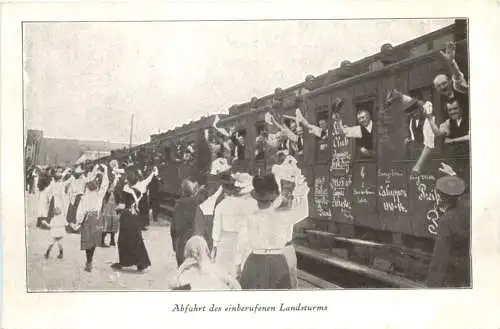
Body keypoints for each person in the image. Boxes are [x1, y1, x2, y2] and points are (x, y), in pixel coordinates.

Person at [237, 171, 309, 290]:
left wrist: (238, 265)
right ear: (274, 196)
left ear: (256, 196)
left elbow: (242, 243)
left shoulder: (250, 216)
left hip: (255, 261)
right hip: (278, 262)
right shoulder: (283, 216)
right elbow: (304, 211)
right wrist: (302, 190)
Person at [110, 167, 157, 272]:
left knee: (123, 240)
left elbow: (122, 205)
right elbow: (148, 180)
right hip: (136, 217)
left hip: (126, 217)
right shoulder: (142, 186)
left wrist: (116, 209)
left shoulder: (127, 189)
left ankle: (125, 262)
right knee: (137, 240)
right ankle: (141, 263)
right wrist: (153, 173)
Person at [426, 175, 470, 287]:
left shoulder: (446, 221)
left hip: (453, 276)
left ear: (443, 198)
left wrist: (433, 284)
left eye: (439, 195)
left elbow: (440, 257)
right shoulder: (469, 213)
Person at [211, 172, 254, 278]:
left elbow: (216, 228)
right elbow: (244, 236)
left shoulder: (222, 204)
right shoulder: (247, 207)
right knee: (236, 279)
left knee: (222, 277)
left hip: (223, 241)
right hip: (238, 244)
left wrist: (215, 246)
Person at [70, 164, 109, 272]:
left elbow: (81, 211)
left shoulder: (85, 196)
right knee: (93, 241)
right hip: (95, 217)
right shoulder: (99, 194)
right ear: (97, 186)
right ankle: (90, 260)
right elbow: (105, 184)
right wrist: (105, 170)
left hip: (87, 218)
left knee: (87, 241)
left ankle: (88, 261)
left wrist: (78, 222)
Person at [169, 236, 241, 291]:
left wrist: (181, 268)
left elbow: (171, 287)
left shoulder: (187, 275)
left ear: (187, 253)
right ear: (206, 251)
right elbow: (237, 286)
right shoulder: (216, 269)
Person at [170, 177, 205, 267]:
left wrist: (174, 242)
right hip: (193, 238)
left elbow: (174, 225)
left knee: (181, 265)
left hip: (181, 239)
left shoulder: (178, 204)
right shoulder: (196, 203)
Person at [42, 168, 71, 259]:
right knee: (59, 214)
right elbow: (62, 194)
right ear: (60, 179)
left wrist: (48, 199)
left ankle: (48, 252)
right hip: (58, 201)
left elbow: (47, 191)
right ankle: (60, 252)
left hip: (53, 200)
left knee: (54, 216)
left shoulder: (52, 183)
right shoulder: (61, 184)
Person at [100, 161, 123, 247]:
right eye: (116, 165)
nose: (118, 167)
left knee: (115, 220)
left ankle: (112, 240)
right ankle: (102, 241)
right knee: (107, 221)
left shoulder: (115, 175)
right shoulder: (109, 176)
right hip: (108, 200)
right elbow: (109, 190)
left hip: (114, 200)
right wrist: (116, 180)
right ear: (113, 166)